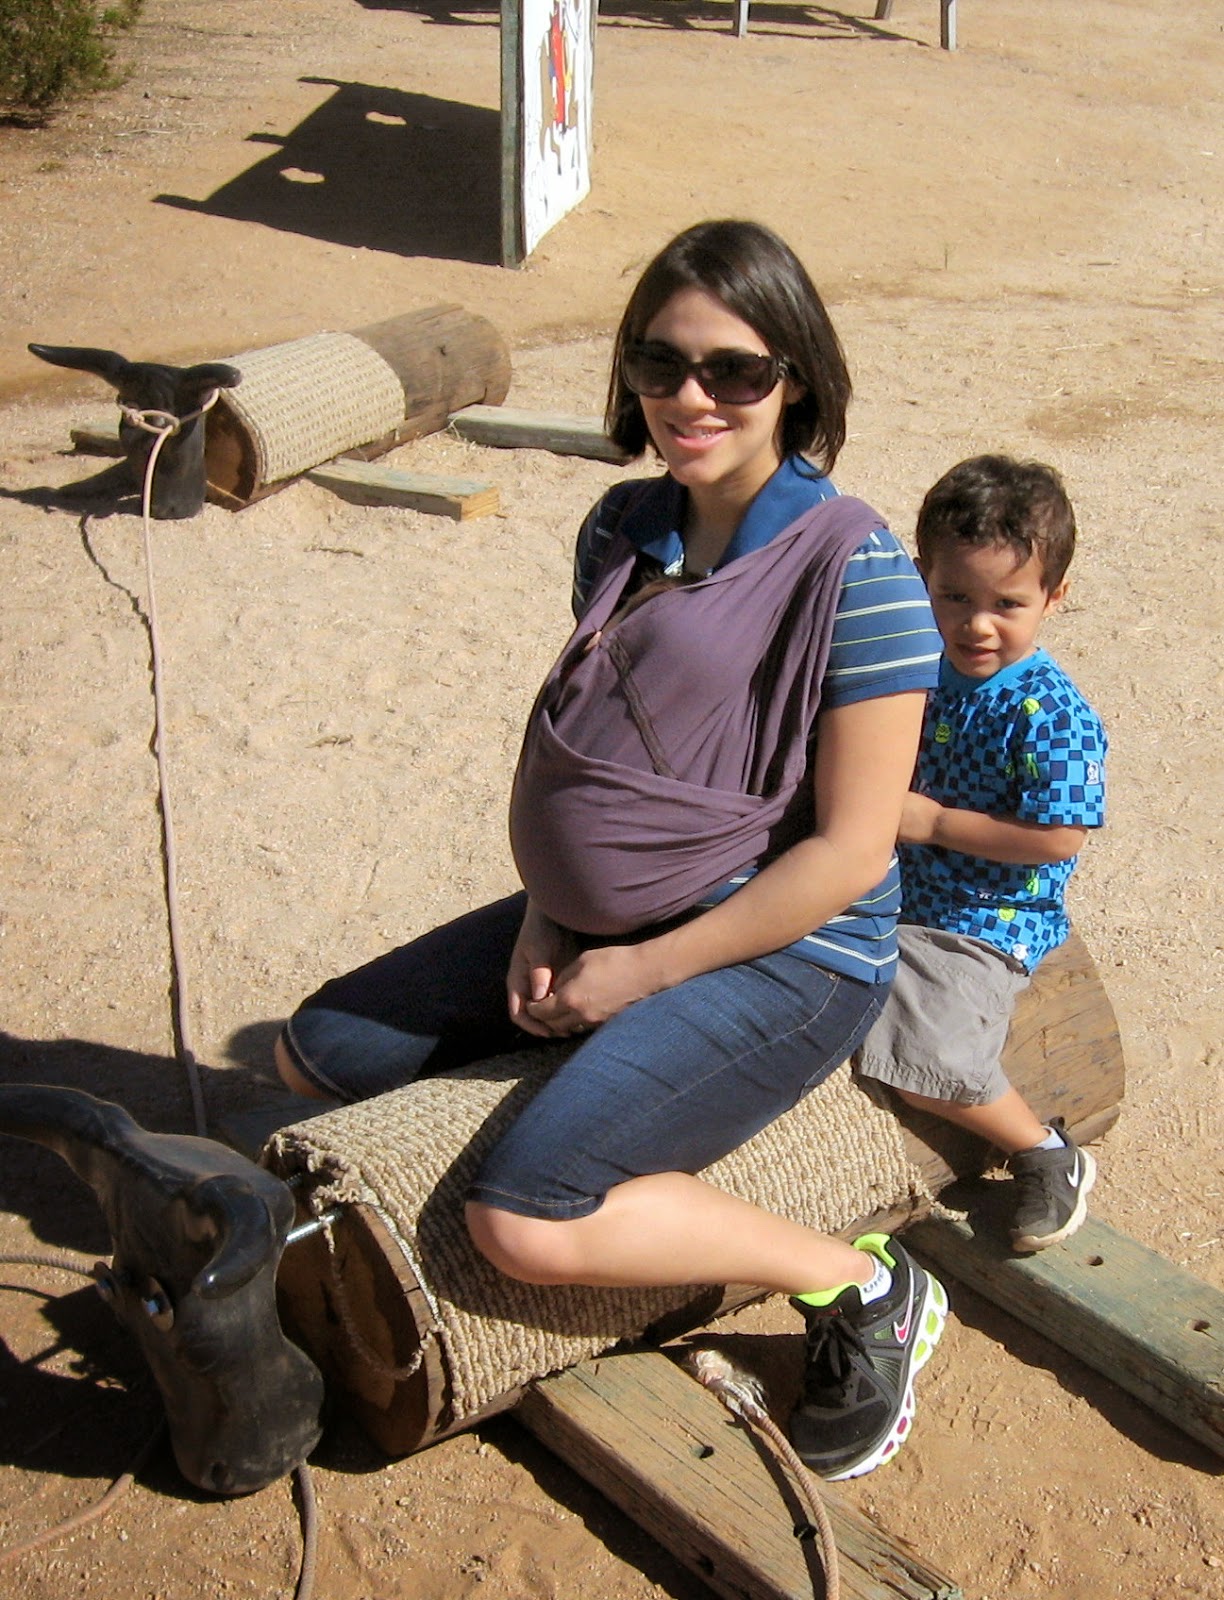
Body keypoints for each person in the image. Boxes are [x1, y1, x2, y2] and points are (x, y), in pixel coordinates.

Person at [274, 219, 948, 1481]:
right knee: (318, 1052)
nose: (691, 397)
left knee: (522, 1219)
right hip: (600, 920)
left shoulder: (859, 574)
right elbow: (605, 756)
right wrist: (550, 912)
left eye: (734, 369)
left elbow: (853, 853)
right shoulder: (622, 527)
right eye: (659, 362)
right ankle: (606, 1073)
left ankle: (862, 1285)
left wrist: (640, 972)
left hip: (790, 951)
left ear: (796, 378)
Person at [856, 455, 1107, 1252]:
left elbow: (1058, 836)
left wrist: (933, 823)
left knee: (927, 1050)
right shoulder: (916, 662)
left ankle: (1044, 1150)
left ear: (1053, 597)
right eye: (954, 597)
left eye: (1008, 604)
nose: (977, 624)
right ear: (922, 577)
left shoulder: (1051, 714)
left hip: (985, 913)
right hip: (894, 878)